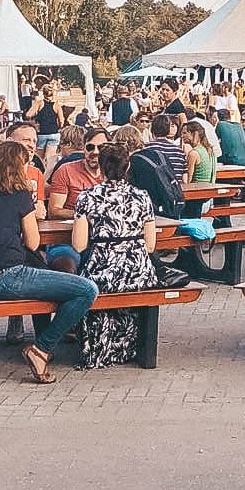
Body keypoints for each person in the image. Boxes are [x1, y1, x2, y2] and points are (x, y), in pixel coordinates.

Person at [0, 140, 98, 383]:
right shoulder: (19, 195)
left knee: (46, 281)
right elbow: (32, 241)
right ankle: (42, 348)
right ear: (20, 165)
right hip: (8, 275)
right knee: (86, 289)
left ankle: (44, 342)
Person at [72, 142, 159, 368]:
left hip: (103, 271)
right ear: (127, 166)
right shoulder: (142, 197)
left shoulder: (88, 197)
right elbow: (150, 245)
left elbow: (79, 245)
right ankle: (129, 346)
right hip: (137, 270)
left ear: (100, 167)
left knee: (87, 284)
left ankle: (99, 347)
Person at [47, 126, 107, 216]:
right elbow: (53, 211)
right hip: (73, 227)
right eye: (90, 147)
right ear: (83, 148)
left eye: (101, 147)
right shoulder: (66, 170)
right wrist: (88, 215)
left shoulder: (116, 172)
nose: (95, 152)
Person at [180, 120, 216, 184]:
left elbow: (187, 180)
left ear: (194, 134)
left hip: (196, 188)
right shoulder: (209, 150)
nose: (182, 136)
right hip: (208, 186)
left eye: (184, 133)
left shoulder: (193, 153)